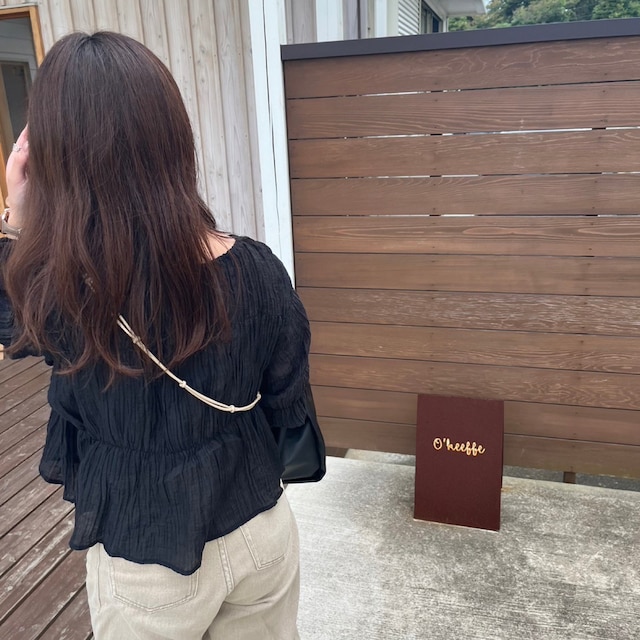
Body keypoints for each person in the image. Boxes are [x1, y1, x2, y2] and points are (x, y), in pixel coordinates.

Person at [0, 31, 310, 640]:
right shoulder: (260, 269)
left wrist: (17, 217)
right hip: (260, 532)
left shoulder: (66, 298)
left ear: (57, 164)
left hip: (147, 556)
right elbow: (288, 400)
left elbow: (13, 321)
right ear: (173, 140)